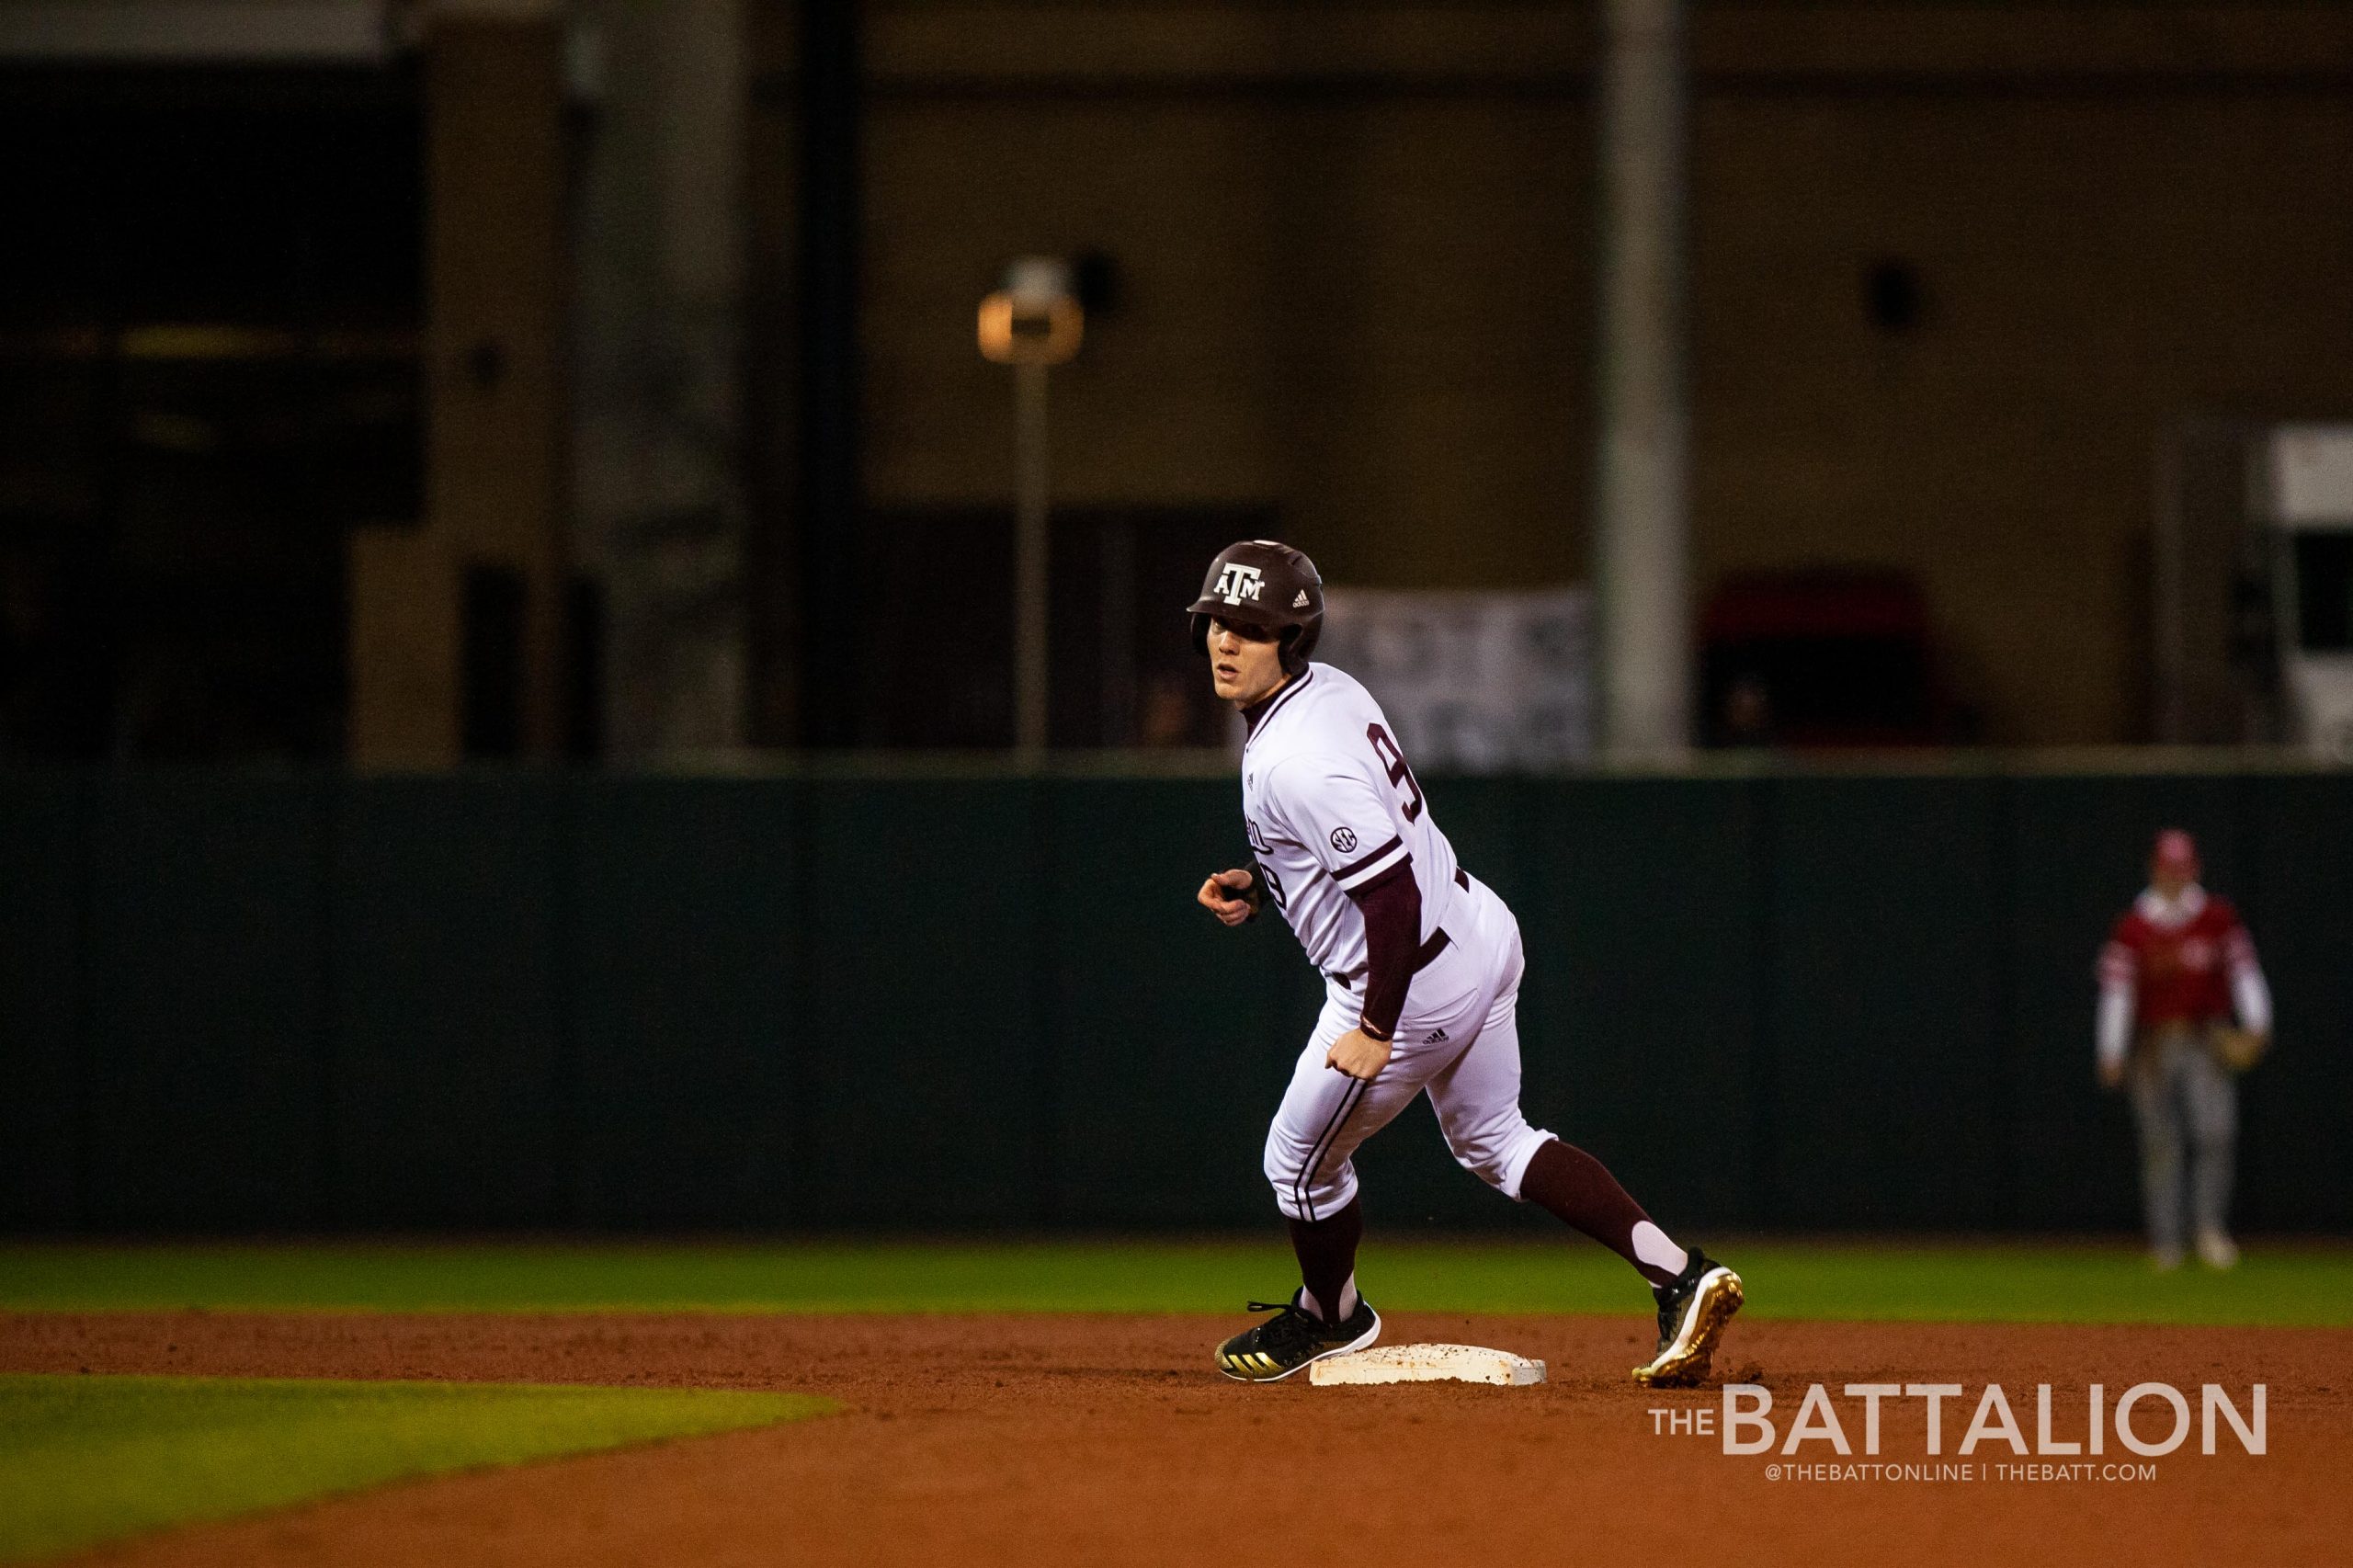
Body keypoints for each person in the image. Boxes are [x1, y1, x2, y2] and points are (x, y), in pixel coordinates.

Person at [1184, 540, 1742, 1384]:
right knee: (1497, 1139)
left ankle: (1330, 1318)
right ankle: (1681, 1275)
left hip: (1405, 977)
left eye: (1250, 627)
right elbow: (1357, 847)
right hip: (1478, 930)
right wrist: (1268, 882)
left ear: (1290, 639)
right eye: (1217, 622)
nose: (1226, 641)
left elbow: (1390, 898)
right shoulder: (1329, 695)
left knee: (1295, 1165)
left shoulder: (1296, 758)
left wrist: (1377, 1028)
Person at [2097, 828, 2272, 1271]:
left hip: (2204, 1038)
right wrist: (2111, 1049)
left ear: (2194, 869)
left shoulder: (2216, 917)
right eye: (2167, 868)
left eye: (2182, 869)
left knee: (2215, 1133)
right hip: (2153, 1044)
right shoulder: (2134, 927)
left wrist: (2256, 1022)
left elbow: (2244, 971)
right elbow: (2117, 993)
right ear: (2154, 868)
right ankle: (2166, 1241)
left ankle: (2209, 1230)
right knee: (2161, 1143)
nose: (2174, 877)